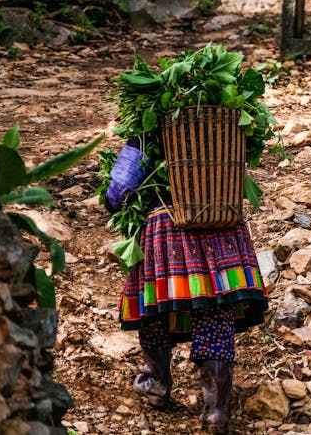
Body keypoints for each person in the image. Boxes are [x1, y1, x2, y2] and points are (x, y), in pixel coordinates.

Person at [105, 138, 268, 433]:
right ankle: (218, 410)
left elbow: (121, 188)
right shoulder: (227, 122)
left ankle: (156, 384)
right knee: (215, 313)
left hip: (169, 225)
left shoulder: (149, 129)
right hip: (222, 225)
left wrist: (118, 205)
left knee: (154, 311)